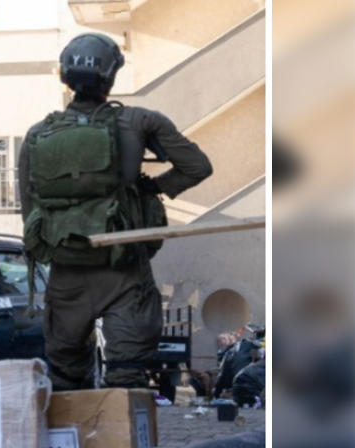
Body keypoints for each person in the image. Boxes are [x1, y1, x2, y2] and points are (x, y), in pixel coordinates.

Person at [18, 33, 213, 390]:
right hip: (124, 269)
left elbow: (29, 211)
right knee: (127, 377)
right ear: (111, 77)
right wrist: (152, 188)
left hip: (67, 273)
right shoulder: (140, 122)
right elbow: (197, 167)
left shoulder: (36, 135)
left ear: (64, 75)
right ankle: (122, 443)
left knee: (65, 379)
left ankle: (74, 444)